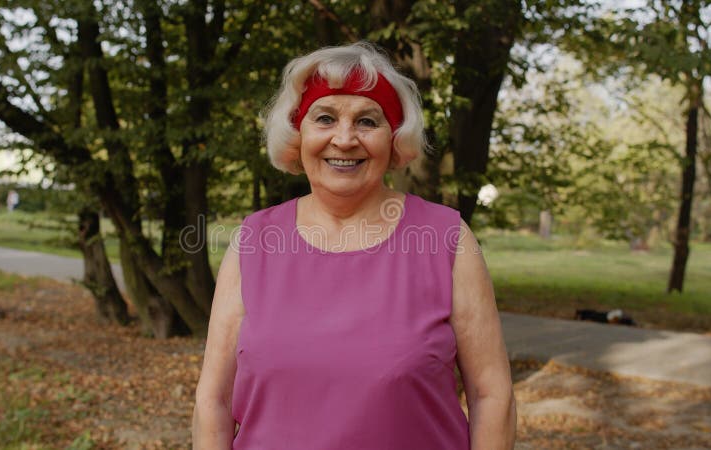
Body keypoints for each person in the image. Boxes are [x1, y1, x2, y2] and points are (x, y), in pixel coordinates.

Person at [192, 42, 516, 450]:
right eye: (324, 118)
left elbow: (492, 396)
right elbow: (213, 401)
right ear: (298, 134)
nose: (344, 140)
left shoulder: (446, 238)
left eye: (367, 121)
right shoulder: (254, 241)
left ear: (395, 139)